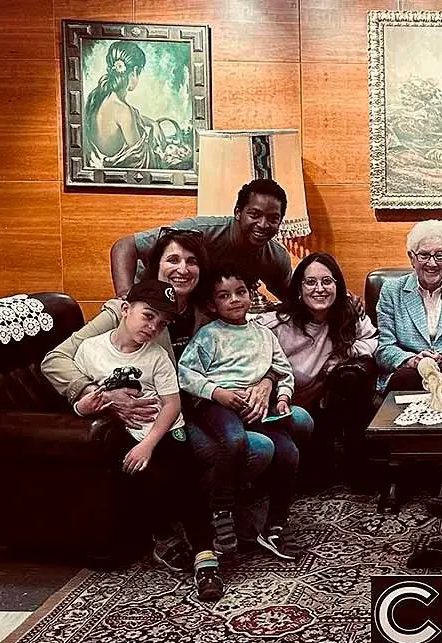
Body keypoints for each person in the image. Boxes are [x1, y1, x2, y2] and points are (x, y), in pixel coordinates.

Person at [41, 230, 279, 549]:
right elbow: (55, 359)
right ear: (156, 266)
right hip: (162, 414)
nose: (183, 268)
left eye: (192, 261)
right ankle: (185, 522)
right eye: (173, 260)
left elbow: (256, 344)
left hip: (203, 405)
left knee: (264, 447)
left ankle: (210, 513)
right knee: (247, 449)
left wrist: (267, 380)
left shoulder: (207, 309)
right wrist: (98, 392)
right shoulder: (124, 310)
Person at [69, 279, 223, 601]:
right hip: (124, 433)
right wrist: (85, 405)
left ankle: (205, 556)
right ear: (126, 309)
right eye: (148, 316)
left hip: (164, 430)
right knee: (143, 476)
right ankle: (164, 537)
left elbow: (172, 405)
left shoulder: (156, 356)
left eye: (162, 323)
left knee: (184, 477)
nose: (153, 327)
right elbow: (81, 402)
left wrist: (149, 444)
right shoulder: (90, 351)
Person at [178, 265, 313, 561]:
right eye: (224, 296)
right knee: (234, 439)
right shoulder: (208, 335)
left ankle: (276, 524)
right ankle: (222, 509)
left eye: (240, 292)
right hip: (218, 404)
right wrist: (217, 392)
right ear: (212, 304)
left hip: (257, 407)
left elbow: (282, 370)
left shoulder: (263, 334)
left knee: (289, 451)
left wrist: (283, 397)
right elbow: (185, 373)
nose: (235, 300)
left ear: (251, 294)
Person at [258, 253, 379, 483]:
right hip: (278, 406)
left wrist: (343, 354)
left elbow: (373, 340)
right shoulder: (278, 324)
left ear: (337, 286)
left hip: (319, 407)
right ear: (299, 288)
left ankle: (355, 466)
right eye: (310, 282)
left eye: (327, 281)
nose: (319, 289)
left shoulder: (347, 315)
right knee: (309, 479)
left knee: (355, 379)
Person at [109, 178, 293, 301]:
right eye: (254, 215)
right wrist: (125, 296)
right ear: (238, 212)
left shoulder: (276, 256)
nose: (263, 224)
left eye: (273, 219)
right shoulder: (200, 230)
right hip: (151, 298)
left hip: (199, 308)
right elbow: (125, 246)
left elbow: (290, 298)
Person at [375, 220, 442, 393]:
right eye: (424, 255)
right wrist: (412, 360)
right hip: (406, 372)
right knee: (406, 379)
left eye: (440, 255)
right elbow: (384, 348)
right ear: (412, 257)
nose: (432, 263)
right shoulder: (391, 291)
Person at [83, 41, 190, 170]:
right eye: (139, 73)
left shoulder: (100, 99)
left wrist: (153, 123)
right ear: (134, 72)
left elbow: (130, 117)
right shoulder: (123, 111)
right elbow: (142, 162)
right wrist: (166, 155)